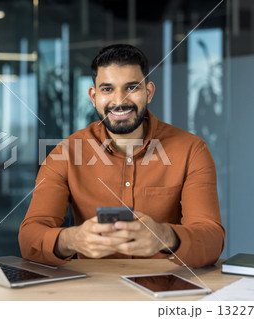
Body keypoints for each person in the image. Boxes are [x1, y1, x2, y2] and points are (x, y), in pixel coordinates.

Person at [19, 44, 225, 268]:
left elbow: (212, 240)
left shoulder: (191, 150)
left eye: (132, 87)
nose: (119, 101)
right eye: (107, 89)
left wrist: (166, 236)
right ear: (93, 95)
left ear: (149, 92)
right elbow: (29, 238)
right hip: (95, 290)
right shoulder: (65, 153)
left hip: (168, 287)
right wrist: (72, 239)